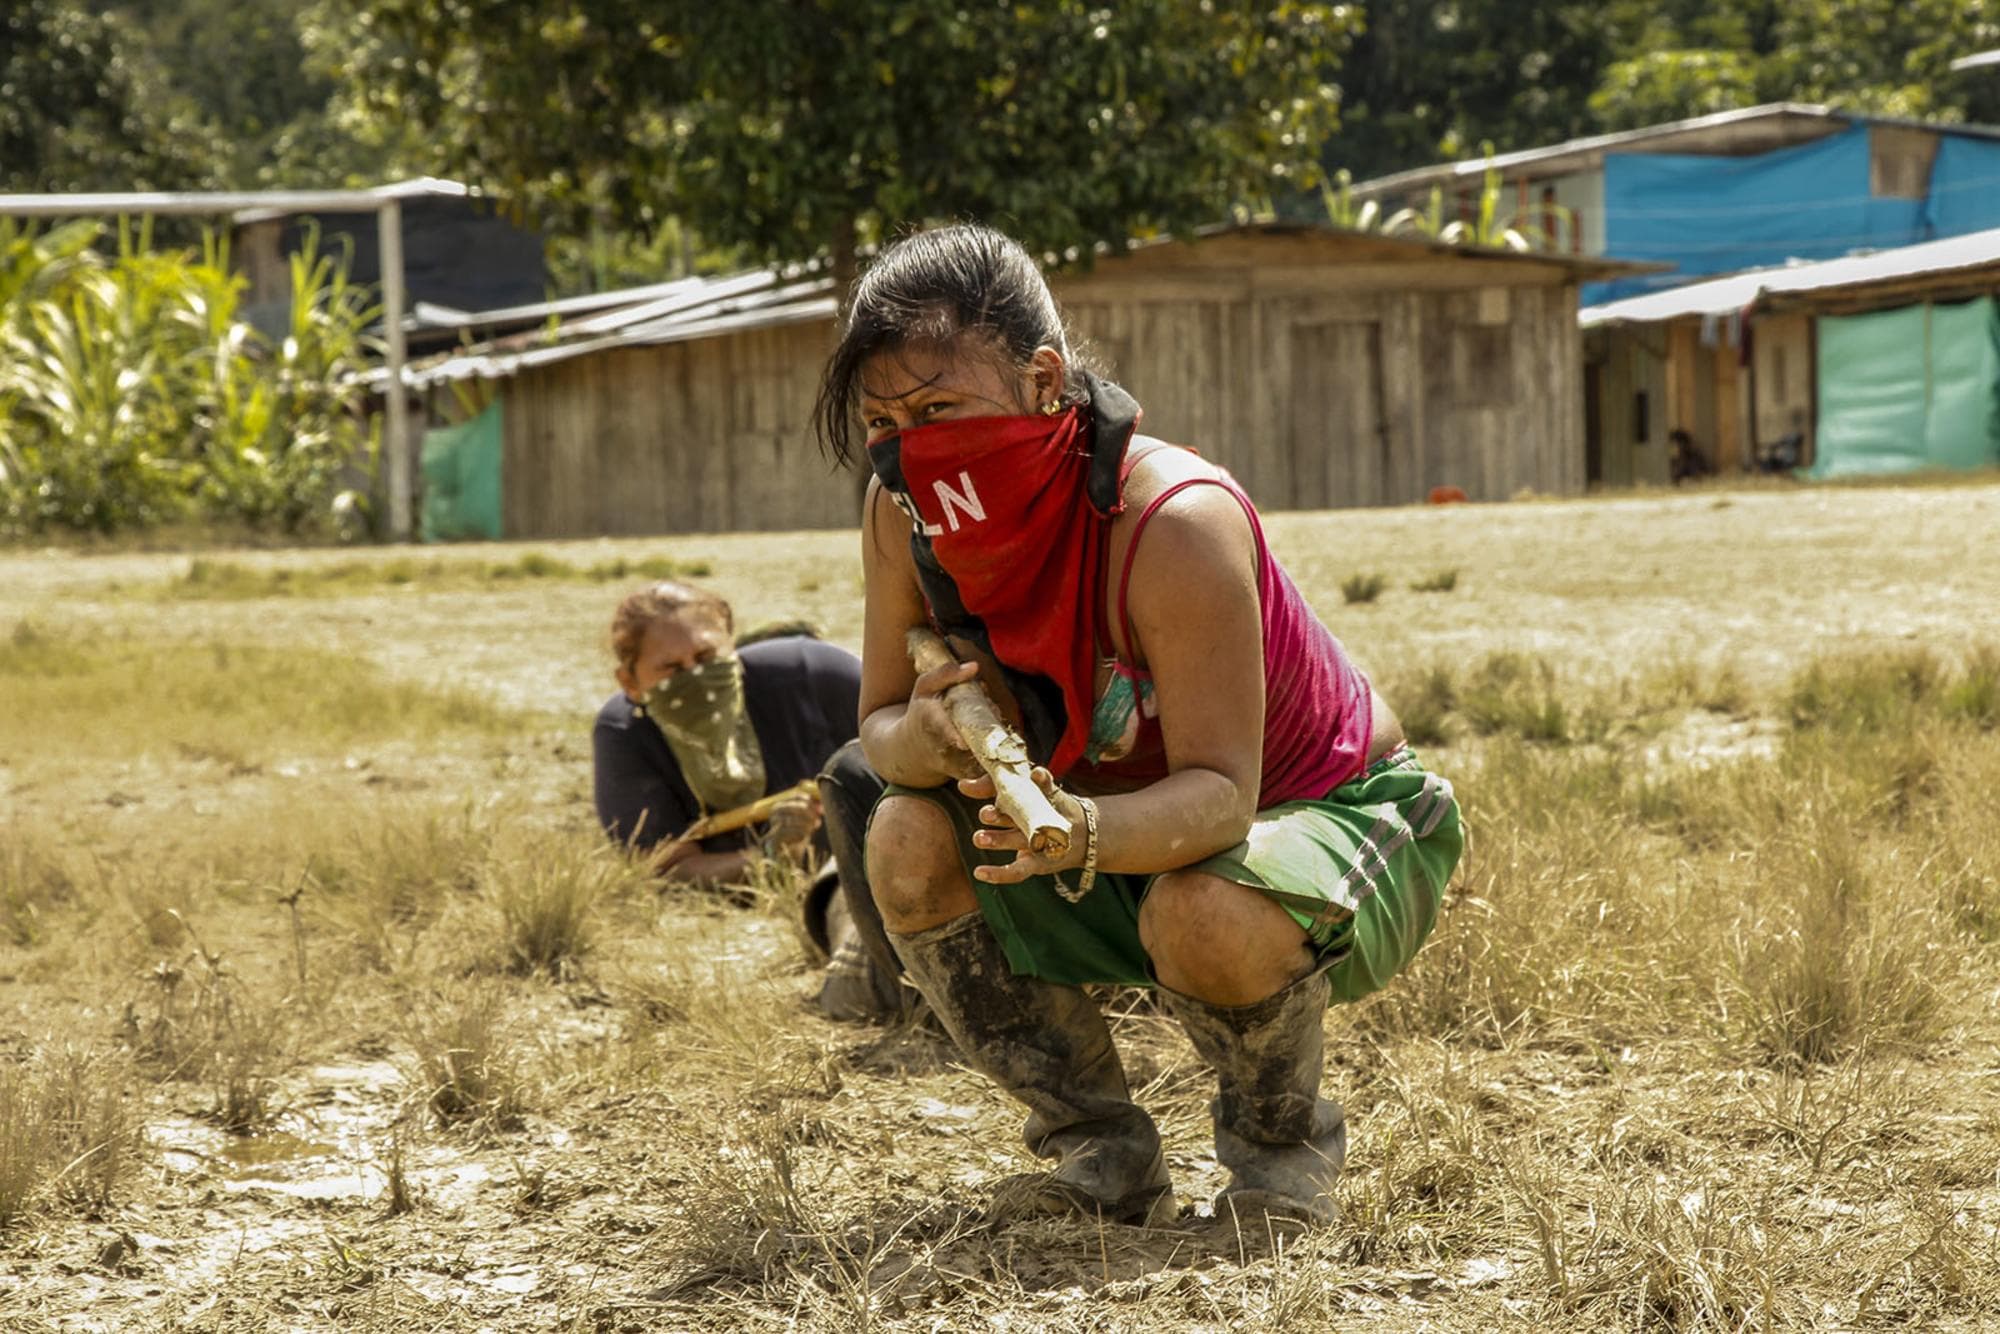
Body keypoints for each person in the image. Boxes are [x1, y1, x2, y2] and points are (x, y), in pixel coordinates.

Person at [815, 225, 1465, 1227]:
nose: (913, 443)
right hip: (1118, 833)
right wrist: (935, 733)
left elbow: (1218, 796)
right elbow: (877, 728)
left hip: (1326, 817)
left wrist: (1073, 834)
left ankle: (1278, 1156)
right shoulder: (901, 512)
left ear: (1042, 380)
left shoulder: (1170, 520)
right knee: (903, 834)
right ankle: (1099, 1159)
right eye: (884, 419)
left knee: (1199, 908)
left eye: (940, 406)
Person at [592, 580, 904, 1021]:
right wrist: (770, 857)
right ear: (631, 682)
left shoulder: (809, 673)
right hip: (832, 889)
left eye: (706, 658)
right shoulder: (626, 736)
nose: (696, 677)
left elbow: (908, 740)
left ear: (732, 647)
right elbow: (664, 864)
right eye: (672, 670)